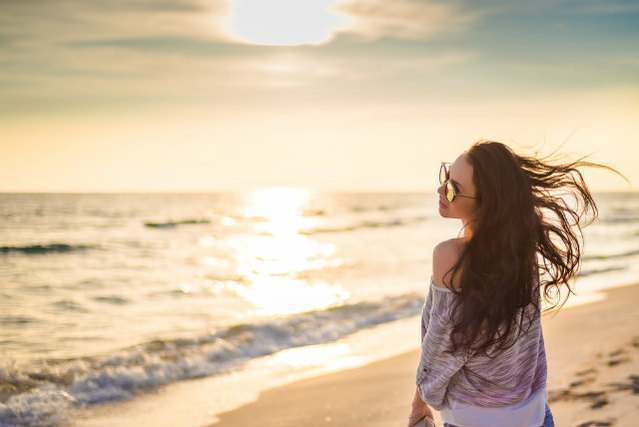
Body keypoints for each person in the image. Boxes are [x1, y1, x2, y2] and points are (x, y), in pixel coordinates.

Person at [407, 140, 627, 427]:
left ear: (486, 205)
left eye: (453, 188)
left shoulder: (450, 256)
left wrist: (420, 403)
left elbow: (443, 348)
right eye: (445, 177)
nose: (441, 190)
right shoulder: (520, 255)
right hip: (535, 416)